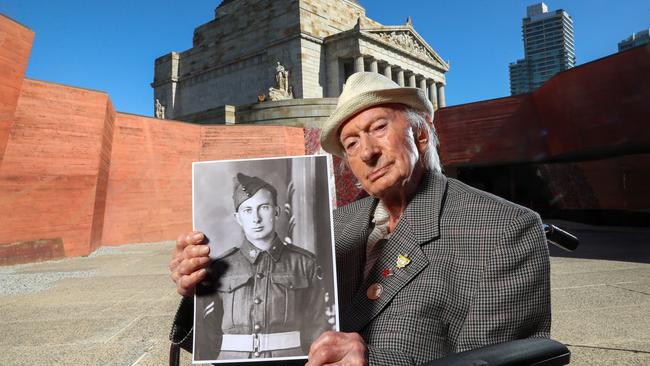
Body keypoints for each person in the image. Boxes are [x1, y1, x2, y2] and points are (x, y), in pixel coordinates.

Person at [170, 72, 551, 365]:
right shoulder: (337, 226)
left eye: (379, 128)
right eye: (351, 143)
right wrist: (204, 284)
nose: (367, 151)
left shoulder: (503, 230)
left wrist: (372, 360)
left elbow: (487, 361)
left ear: (421, 135)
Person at [189, 173, 329, 360]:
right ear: (238, 218)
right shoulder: (219, 267)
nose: (256, 218)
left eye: (263, 208)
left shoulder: (305, 264)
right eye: (247, 210)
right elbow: (207, 331)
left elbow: (319, 325)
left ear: (277, 211)